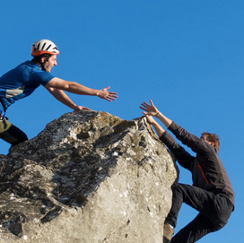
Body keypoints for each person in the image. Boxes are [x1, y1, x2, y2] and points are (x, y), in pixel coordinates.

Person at [140, 99, 234, 243]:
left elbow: (183, 134)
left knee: (179, 190)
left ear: (211, 144)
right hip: (217, 217)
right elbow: (177, 149)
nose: (199, 141)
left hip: (221, 202)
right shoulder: (197, 163)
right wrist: (154, 124)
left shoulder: (210, 152)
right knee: (179, 241)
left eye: (202, 139)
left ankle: (169, 224)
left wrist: (158, 114)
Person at [0, 39, 118, 149]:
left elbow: (54, 89)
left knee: (19, 140)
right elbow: (68, 85)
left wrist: (74, 106)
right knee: (20, 141)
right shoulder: (34, 72)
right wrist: (97, 92)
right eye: (53, 59)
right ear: (43, 60)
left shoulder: (29, 68)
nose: (55, 64)